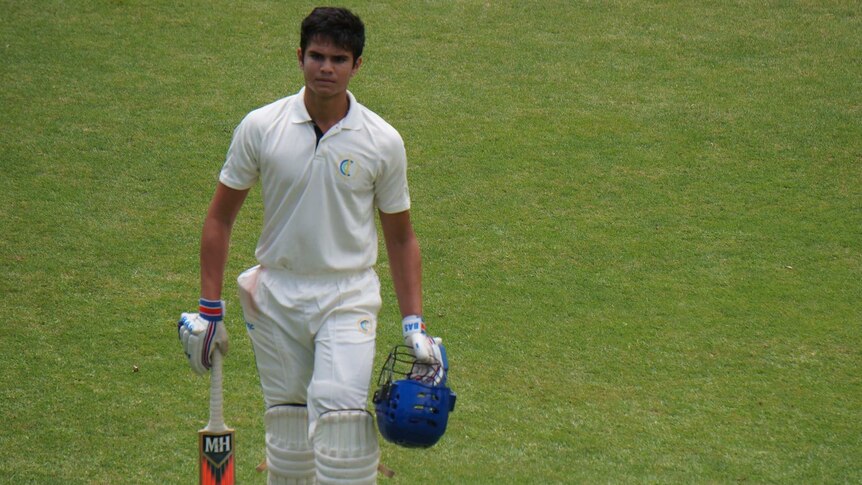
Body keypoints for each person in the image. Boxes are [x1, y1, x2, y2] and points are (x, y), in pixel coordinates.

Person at [177, 7, 443, 484]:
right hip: (275, 295)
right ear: (299, 57)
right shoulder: (261, 127)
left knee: (342, 431)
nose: (326, 68)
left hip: (347, 296)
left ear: (357, 66)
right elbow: (219, 217)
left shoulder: (382, 141)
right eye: (316, 56)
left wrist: (413, 323)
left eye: (339, 59)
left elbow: (401, 238)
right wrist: (208, 310)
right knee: (290, 434)